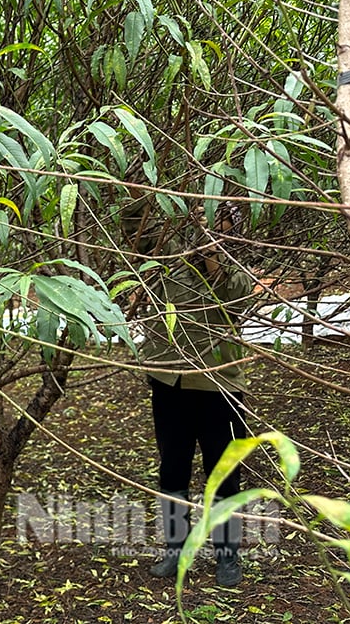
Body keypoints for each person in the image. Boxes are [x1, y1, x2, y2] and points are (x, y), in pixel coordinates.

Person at [127, 200, 252, 587]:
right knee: (172, 469)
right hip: (169, 384)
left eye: (217, 224)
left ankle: (227, 556)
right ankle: (174, 549)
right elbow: (136, 225)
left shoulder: (237, 272)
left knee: (224, 474)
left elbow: (233, 301)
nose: (205, 232)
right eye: (199, 224)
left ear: (230, 230)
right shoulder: (170, 265)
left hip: (220, 390)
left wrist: (212, 251)